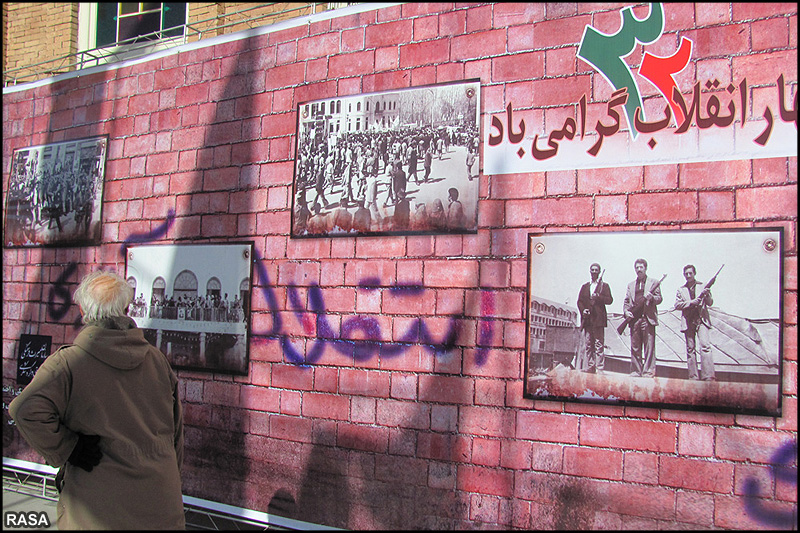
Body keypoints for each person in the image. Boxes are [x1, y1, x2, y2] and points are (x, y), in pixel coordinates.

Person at [9, 270, 185, 530]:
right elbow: (176, 433)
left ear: (83, 310)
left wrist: (69, 448)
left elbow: (25, 409)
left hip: (97, 508)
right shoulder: (156, 360)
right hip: (160, 503)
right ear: (126, 308)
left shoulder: (68, 363)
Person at [622, 258, 662, 377]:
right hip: (634, 319)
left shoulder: (654, 282)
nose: (639, 270)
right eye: (637, 267)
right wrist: (626, 312)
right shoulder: (631, 285)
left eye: (641, 267)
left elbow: (659, 298)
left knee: (649, 347)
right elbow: (626, 301)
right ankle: (636, 370)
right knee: (635, 346)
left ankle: (648, 371)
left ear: (645, 268)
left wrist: (652, 298)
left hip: (647, 318)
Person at [675, 264, 715, 381]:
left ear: (694, 273)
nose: (688, 276)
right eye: (686, 274)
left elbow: (710, 302)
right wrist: (691, 302)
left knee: (705, 346)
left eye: (690, 273)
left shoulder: (702, 286)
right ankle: (693, 376)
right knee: (690, 348)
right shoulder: (681, 289)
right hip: (688, 321)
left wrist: (707, 295)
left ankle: (708, 375)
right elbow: (677, 305)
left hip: (701, 320)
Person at [576, 263, 613, 374]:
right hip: (588, 320)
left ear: (599, 271)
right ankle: (591, 366)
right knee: (588, 344)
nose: (594, 272)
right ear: (590, 271)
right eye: (592, 270)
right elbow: (580, 301)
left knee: (598, 344)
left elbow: (610, 300)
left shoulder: (604, 286)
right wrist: (583, 310)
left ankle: (599, 367)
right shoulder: (585, 286)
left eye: (596, 270)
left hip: (598, 319)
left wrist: (599, 297)